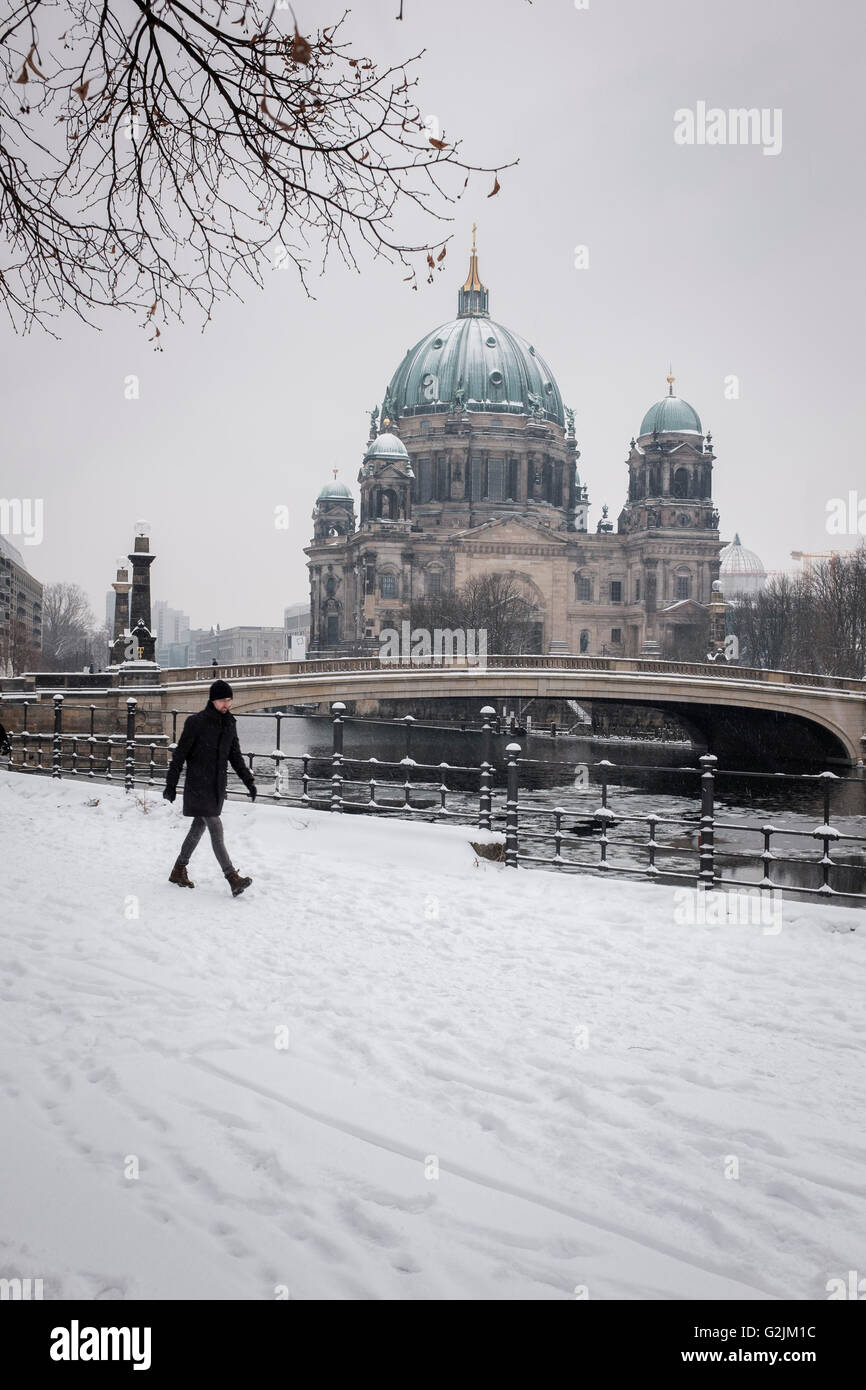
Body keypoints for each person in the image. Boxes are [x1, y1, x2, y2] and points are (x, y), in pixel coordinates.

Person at [163, 679, 256, 896]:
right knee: (215, 827)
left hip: (216, 786)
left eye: (229, 700)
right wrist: (171, 784)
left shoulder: (229, 723)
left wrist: (248, 781)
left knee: (198, 827)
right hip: (198, 785)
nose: (227, 704)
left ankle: (178, 869)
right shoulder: (196, 723)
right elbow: (179, 756)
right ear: (213, 700)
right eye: (223, 700)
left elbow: (235, 757)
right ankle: (232, 877)